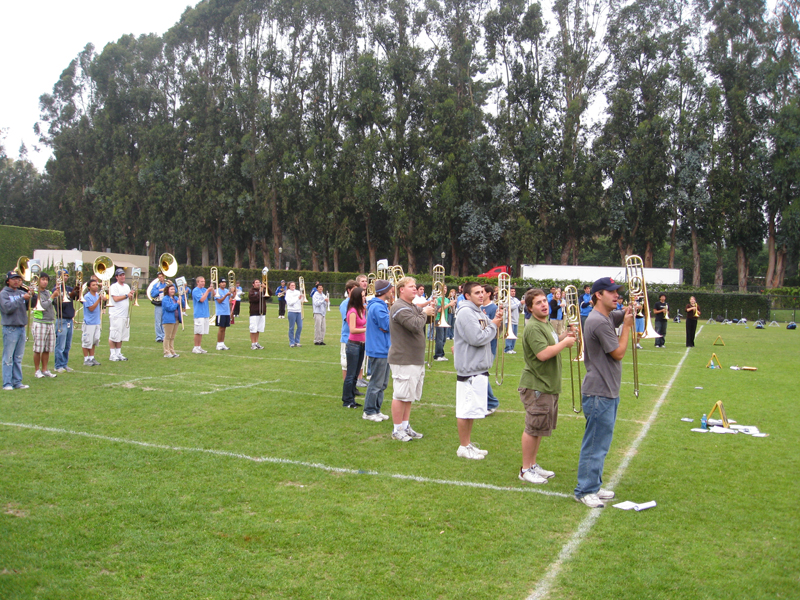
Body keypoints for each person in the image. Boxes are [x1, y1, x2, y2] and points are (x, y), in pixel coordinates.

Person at [574, 277, 634, 508]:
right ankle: (585, 490)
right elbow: (618, 353)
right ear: (599, 295)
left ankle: (593, 486)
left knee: (601, 443)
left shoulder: (605, 316)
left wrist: (630, 310)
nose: (617, 295)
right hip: (599, 392)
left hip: (606, 390)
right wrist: (627, 327)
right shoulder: (598, 321)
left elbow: (619, 316)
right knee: (595, 444)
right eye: (612, 292)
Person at [518, 288, 576, 483]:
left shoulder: (546, 323)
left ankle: (532, 465)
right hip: (536, 385)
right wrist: (565, 343)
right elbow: (543, 354)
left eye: (544, 301)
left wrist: (563, 337)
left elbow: (551, 342)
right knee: (532, 427)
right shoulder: (533, 327)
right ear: (530, 308)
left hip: (547, 384)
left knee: (540, 427)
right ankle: (525, 469)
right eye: (538, 303)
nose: (543, 305)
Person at [453, 281, 502, 458]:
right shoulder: (466, 312)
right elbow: (477, 338)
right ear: (467, 296)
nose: (481, 295)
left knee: (472, 410)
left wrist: (496, 321)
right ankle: (463, 447)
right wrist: (494, 324)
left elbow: (489, 329)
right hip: (469, 368)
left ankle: (468, 444)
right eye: (476, 293)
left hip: (478, 367)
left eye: (482, 292)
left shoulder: (477, 311)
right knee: (465, 410)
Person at [388, 277, 435, 441]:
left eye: (415, 286)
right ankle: (396, 429)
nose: (415, 289)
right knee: (400, 395)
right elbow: (414, 325)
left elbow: (421, 322)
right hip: (403, 358)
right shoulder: (399, 307)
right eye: (411, 286)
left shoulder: (412, 306)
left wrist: (430, 313)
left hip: (414, 358)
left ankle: (405, 426)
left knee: (409, 396)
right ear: (401, 289)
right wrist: (424, 313)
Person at [363, 280, 394, 421]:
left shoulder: (381, 306)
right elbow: (388, 325)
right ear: (385, 291)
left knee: (382, 383)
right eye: (390, 289)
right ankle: (369, 411)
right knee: (376, 382)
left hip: (384, 348)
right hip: (379, 349)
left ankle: (376, 409)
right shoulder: (378, 307)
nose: (392, 291)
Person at [1, 271, 31, 390]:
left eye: (18, 279)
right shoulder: (4, 294)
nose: (16, 281)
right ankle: (7, 383)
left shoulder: (21, 292)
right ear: (8, 280)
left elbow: (29, 306)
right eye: (14, 279)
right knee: (8, 357)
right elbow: (7, 308)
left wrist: (31, 296)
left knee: (18, 357)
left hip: (21, 327)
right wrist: (22, 299)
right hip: (10, 328)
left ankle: (17, 382)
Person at [342, 286, 367, 408]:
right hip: (353, 345)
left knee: (356, 373)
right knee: (351, 374)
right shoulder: (352, 311)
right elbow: (352, 329)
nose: (364, 298)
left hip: (362, 345)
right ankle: (347, 400)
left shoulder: (362, 309)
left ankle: (352, 398)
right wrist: (367, 329)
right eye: (362, 296)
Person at [32, 272, 60, 377]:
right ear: (38, 281)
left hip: (49, 322)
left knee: (47, 348)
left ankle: (45, 369)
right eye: (42, 279)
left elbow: (54, 303)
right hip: (40, 322)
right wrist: (53, 296)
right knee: (38, 348)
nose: (45, 282)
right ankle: (37, 370)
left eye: (46, 280)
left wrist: (57, 294)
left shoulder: (47, 292)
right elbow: (43, 305)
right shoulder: (35, 292)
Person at [53, 269, 79, 373]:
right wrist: (69, 295)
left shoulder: (68, 288)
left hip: (69, 319)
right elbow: (60, 304)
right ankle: (58, 365)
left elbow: (77, 298)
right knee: (60, 345)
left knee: (67, 345)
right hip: (61, 319)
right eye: (63, 276)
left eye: (67, 275)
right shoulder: (56, 289)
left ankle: (64, 364)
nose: (66, 278)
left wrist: (76, 292)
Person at [481, 284, 501, 414]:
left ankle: (491, 402)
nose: (480, 294)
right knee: (479, 373)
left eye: (482, 292)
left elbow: (497, 329)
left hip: (490, 345)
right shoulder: (478, 307)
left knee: (482, 373)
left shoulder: (493, 308)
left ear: (489, 293)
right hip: (480, 344)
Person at [108, 268, 133, 361]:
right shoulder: (114, 286)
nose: (123, 276)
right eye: (120, 275)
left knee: (121, 336)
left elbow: (129, 299)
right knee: (114, 335)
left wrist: (131, 295)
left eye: (123, 275)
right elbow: (116, 299)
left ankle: (118, 353)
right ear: (117, 277)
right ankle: (112, 354)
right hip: (116, 314)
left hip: (125, 315)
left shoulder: (126, 286)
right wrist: (127, 295)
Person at [340, 280, 358, 382]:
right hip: (347, 337)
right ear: (349, 290)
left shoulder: (358, 303)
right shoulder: (345, 304)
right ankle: (346, 385)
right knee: (346, 363)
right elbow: (348, 320)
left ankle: (353, 386)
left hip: (357, 337)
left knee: (355, 363)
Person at [81, 278, 102, 366]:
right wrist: (99, 300)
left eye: (96, 285)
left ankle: (92, 358)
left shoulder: (97, 295)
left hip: (96, 321)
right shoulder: (87, 296)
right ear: (89, 287)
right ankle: (86, 359)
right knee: (87, 341)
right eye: (93, 285)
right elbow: (91, 308)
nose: (95, 286)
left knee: (94, 341)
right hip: (89, 322)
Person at [191, 276, 214, 354]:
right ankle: (195, 347)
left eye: (204, 281)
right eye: (201, 281)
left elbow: (213, 295)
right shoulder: (195, 290)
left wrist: (212, 287)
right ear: (197, 282)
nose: (203, 283)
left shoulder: (204, 290)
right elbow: (201, 299)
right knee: (197, 331)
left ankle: (199, 346)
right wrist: (207, 291)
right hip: (199, 314)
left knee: (201, 332)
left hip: (205, 313)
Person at [161, 283, 185, 358]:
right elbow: (169, 308)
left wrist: (181, 298)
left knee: (172, 337)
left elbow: (183, 305)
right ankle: (166, 352)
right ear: (167, 290)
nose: (173, 290)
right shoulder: (165, 299)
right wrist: (177, 304)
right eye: (171, 289)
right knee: (167, 336)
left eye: (174, 289)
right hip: (168, 320)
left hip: (176, 320)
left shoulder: (175, 298)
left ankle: (172, 351)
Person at [433, 285, 454, 361]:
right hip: (439, 319)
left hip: (445, 319)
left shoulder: (446, 299)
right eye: (443, 288)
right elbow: (439, 310)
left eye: (446, 288)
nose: (445, 290)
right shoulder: (438, 299)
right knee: (439, 338)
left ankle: (441, 354)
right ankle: (438, 355)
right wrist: (449, 304)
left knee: (444, 339)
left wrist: (452, 305)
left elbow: (448, 310)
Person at [214, 278, 233, 350]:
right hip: (220, 312)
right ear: (219, 284)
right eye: (222, 282)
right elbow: (219, 301)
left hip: (226, 312)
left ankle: (222, 343)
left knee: (224, 329)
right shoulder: (216, 291)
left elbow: (230, 300)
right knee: (221, 328)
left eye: (224, 282)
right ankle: (218, 344)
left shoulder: (226, 291)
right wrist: (225, 296)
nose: (224, 284)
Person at [248, 278, 267, 350]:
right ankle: (253, 344)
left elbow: (269, 295)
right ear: (253, 284)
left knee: (258, 329)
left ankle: (256, 342)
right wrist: (260, 292)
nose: (258, 283)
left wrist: (266, 287)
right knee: (253, 328)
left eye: (259, 282)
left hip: (262, 312)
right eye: (256, 282)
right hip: (254, 312)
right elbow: (254, 299)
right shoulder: (251, 291)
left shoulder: (262, 291)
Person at [285, 281, 305, 347]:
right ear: (289, 286)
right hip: (291, 311)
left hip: (299, 311)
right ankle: (292, 342)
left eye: (294, 285)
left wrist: (303, 297)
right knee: (291, 327)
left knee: (300, 326)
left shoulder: (298, 292)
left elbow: (301, 300)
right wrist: (297, 298)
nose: (293, 286)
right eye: (292, 285)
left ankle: (297, 341)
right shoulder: (288, 293)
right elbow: (290, 303)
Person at [151, 271, 168, 343]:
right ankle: (159, 337)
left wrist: (171, 284)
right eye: (159, 277)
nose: (161, 278)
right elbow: (153, 294)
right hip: (159, 304)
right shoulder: (156, 285)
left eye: (162, 276)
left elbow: (174, 291)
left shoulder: (167, 284)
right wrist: (160, 290)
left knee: (165, 321)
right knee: (158, 321)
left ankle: (165, 336)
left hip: (166, 304)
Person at [504, 287, 521, 354]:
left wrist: (521, 304)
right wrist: (519, 303)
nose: (513, 292)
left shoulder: (516, 299)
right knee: (509, 335)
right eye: (512, 291)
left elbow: (519, 308)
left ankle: (511, 348)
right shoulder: (507, 299)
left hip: (515, 319)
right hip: (509, 319)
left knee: (514, 335)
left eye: (514, 291)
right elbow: (510, 307)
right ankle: (507, 348)